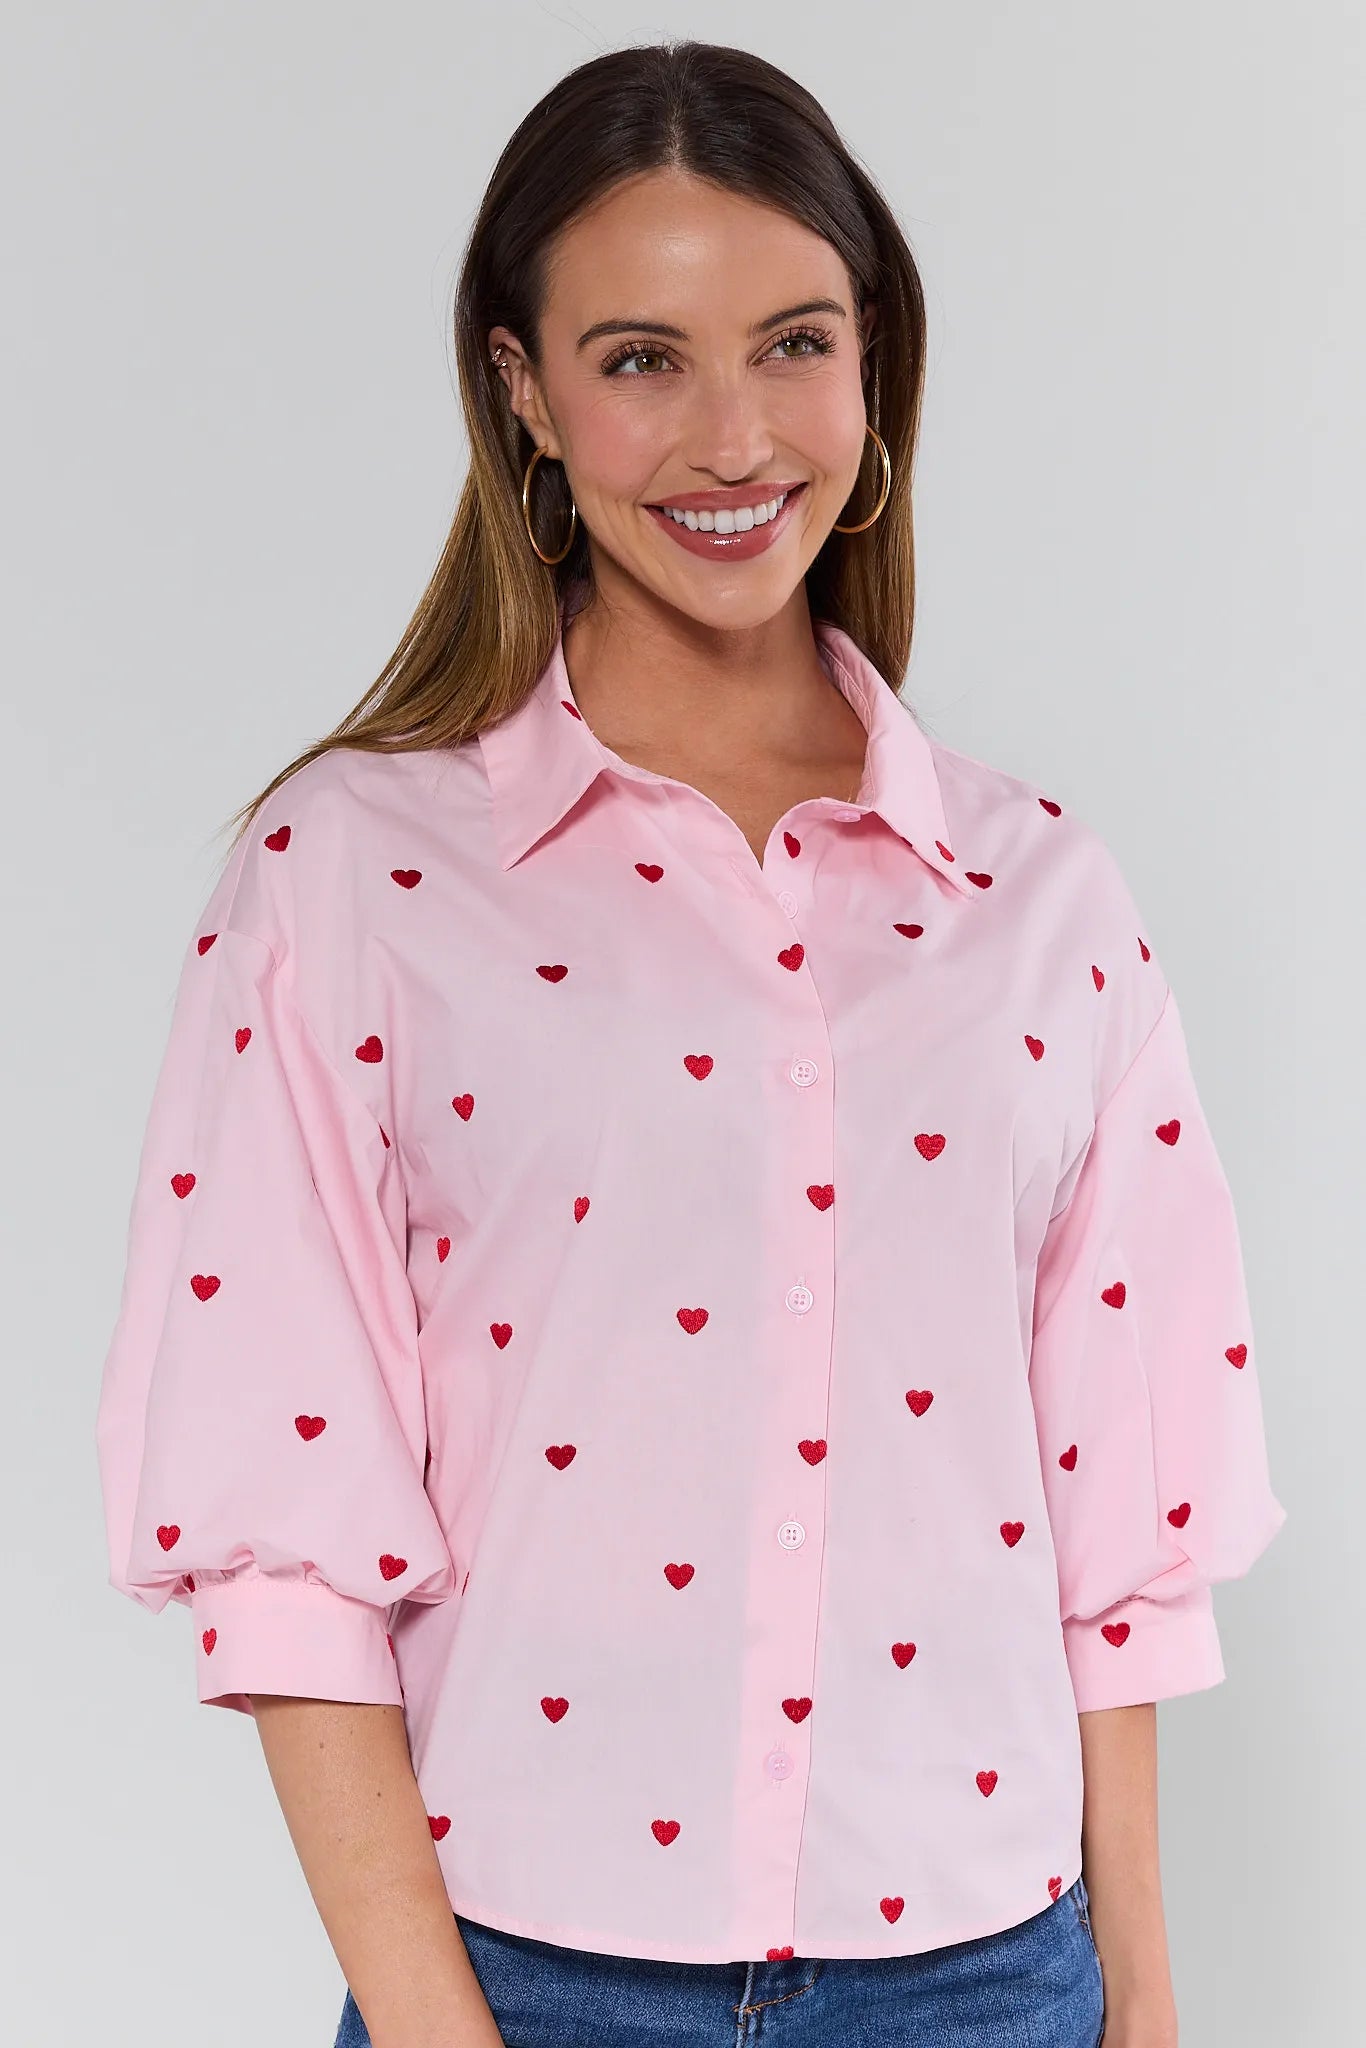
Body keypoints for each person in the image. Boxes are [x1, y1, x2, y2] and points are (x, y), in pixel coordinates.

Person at [94, 37, 1287, 2048]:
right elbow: (285, 1543)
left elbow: (1120, 1543)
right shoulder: (353, 874)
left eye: (793, 342)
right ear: (520, 391)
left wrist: (1144, 2010)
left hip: (987, 1982)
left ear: (873, 359)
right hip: (523, 1985)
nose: (732, 436)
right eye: (640, 356)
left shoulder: (1040, 901)